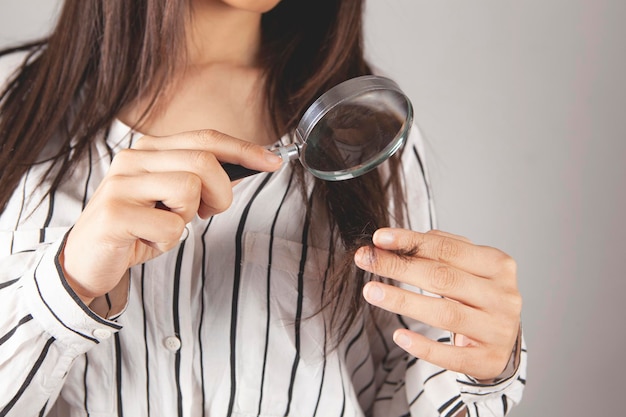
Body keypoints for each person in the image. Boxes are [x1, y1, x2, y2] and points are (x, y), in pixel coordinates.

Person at [0, 0, 526, 416]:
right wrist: (68, 287)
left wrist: (479, 371)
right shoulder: (11, 102)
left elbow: (398, 392)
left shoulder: (363, 130)